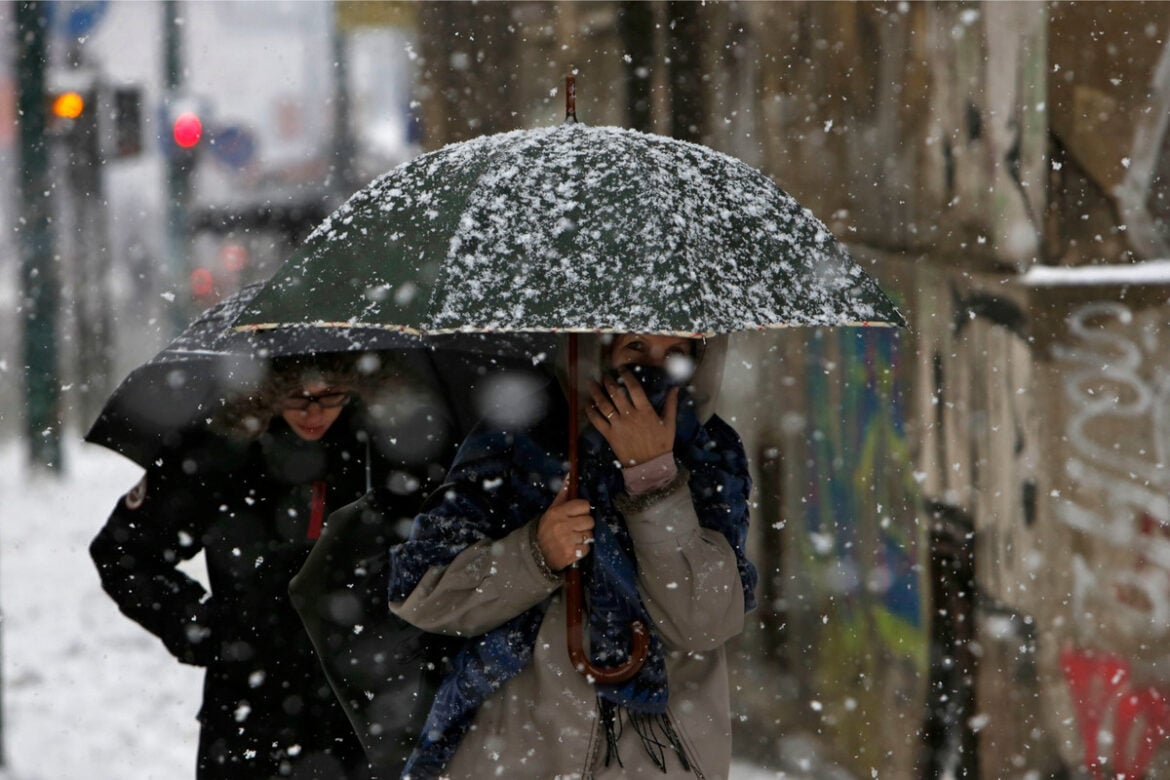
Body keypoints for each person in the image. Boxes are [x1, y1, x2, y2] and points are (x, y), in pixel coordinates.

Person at [386, 333, 758, 779]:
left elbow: (704, 621)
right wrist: (535, 553)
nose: (653, 371)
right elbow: (422, 591)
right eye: (635, 347)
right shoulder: (519, 436)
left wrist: (654, 480)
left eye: (676, 354)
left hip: (659, 755)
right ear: (596, 350)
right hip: (518, 746)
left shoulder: (709, 451)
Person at [91, 352, 454, 779]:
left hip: (373, 715)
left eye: (332, 394)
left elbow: (445, 555)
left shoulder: (393, 453)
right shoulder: (219, 450)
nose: (314, 411)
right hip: (252, 719)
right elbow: (124, 551)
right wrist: (205, 630)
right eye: (296, 395)